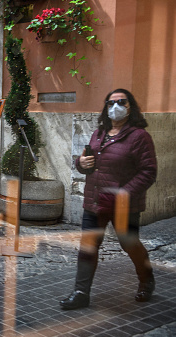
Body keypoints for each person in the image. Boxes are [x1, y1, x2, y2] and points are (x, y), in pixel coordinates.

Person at [60, 89, 157, 310]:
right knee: (88, 246)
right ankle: (81, 293)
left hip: (124, 204)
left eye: (121, 102)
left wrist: (124, 193)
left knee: (128, 243)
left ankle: (146, 278)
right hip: (95, 201)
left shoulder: (139, 136)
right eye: (111, 102)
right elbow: (88, 162)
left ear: (130, 106)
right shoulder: (99, 133)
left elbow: (148, 171)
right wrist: (80, 164)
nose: (116, 106)